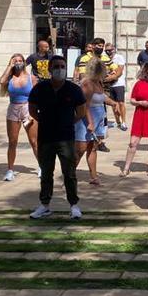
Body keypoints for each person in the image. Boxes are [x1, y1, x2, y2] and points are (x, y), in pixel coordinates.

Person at [28, 56, 87, 219]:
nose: (59, 69)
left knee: (69, 173)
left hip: (66, 138)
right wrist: (45, 121)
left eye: (62, 66)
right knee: (46, 173)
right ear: (49, 69)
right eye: (56, 66)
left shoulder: (73, 89)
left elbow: (81, 112)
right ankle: (44, 205)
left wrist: (68, 122)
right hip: (46, 137)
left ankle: (74, 205)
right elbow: (32, 109)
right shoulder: (40, 88)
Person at [120, 62, 148, 177]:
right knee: (133, 143)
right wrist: (140, 102)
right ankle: (126, 168)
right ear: (145, 72)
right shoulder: (139, 84)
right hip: (141, 114)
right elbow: (132, 99)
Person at [0, 53, 38, 182]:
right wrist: (9, 67)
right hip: (13, 109)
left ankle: (42, 167)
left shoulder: (31, 77)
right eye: (15, 61)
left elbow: (38, 95)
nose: (18, 62)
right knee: (12, 142)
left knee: (34, 141)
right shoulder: (9, 78)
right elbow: (1, 81)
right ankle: (10, 170)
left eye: (20, 60)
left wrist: (35, 113)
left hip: (28, 108)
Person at [73, 58, 107, 186]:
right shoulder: (87, 83)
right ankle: (69, 175)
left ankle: (93, 176)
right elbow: (85, 105)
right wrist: (90, 123)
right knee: (80, 149)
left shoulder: (99, 82)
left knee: (93, 148)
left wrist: (114, 104)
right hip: (86, 119)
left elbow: (102, 98)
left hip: (98, 117)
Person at [105, 43, 128, 131]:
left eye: (110, 50)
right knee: (113, 104)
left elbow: (120, 71)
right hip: (109, 85)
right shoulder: (104, 58)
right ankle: (118, 121)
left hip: (119, 84)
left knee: (121, 103)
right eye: (107, 50)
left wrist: (111, 77)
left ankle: (124, 122)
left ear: (114, 49)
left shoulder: (119, 57)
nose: (108, 52)